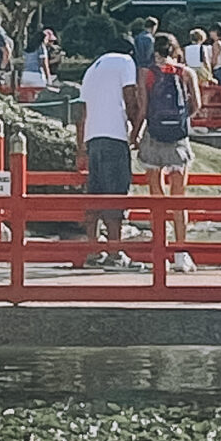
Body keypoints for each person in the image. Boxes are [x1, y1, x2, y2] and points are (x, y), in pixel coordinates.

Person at [134, 31, 202, 271]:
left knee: (156, 195)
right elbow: (197, 105)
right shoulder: (186, 73)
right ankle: (181, 252)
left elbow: (142, 107)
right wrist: (182, 120)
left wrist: (135, 135)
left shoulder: (146, 73)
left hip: (153, 135)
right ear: (175, 50)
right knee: (178, 197)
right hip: (178, 140)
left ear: (155, 52)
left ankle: (159, 249)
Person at [75, 34, 143, 269]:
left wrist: (80, 149)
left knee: (96, 195)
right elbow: (130, 97)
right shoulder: (125, 62)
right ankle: (115, 252)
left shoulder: (91, 69)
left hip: (93, 138)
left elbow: (82, 114)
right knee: (116, 195)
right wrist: (137, 129)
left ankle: (93, 250)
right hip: (115, 135)